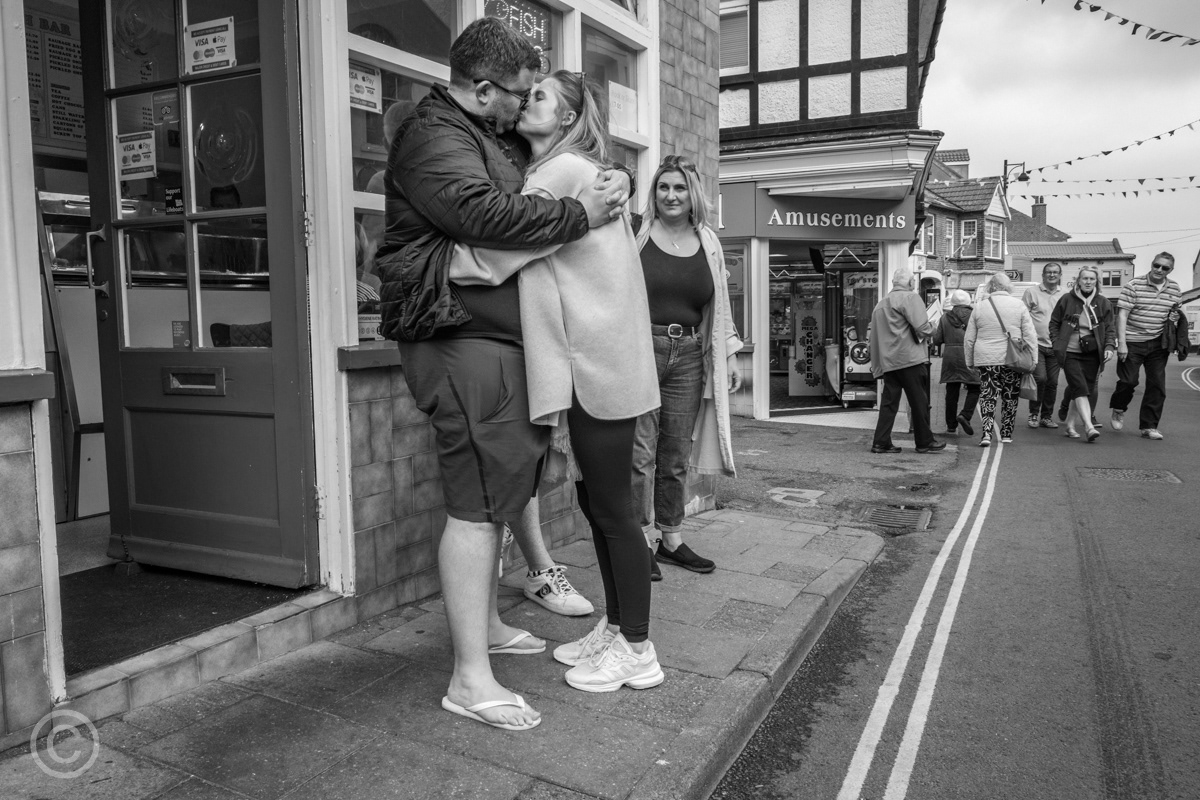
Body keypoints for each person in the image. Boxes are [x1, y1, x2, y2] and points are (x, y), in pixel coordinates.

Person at [378, 18, 629, 731]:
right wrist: (579, 212)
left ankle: (483, 628)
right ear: (483, 88)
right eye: (518, 94)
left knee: (495, 488)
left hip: (484, 341)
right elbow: (483, 212)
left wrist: (618, 174)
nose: (525, 106)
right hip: (455, 337)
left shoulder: (485, 129)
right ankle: (469, 679)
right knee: (479, 503)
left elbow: (565, 145)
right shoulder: (433, 137)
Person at [448, 71, 663, 694]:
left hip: (599, 364)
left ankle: (640, 648)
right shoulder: (574, 170)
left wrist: (447, 262)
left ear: (568, 119)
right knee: (599, 503)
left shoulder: (563, 173)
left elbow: (502, 251)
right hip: (596, 363)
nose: (527, 100)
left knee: (614, 508)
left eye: (540, 96)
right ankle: (618, 627)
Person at [630, 154, 744, 577]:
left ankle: (671, 540)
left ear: (692, 194)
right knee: (639, 453)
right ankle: (638, 540)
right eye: (663, 187)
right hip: (642, 349)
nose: (670, 195)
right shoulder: (637, 232)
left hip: (690, 354)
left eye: (679, 188)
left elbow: (721, 304)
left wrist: (729, 354)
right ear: (654, 193)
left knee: (676, 451)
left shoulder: (708, 240)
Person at [868, 267, 944, 454]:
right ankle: (924, 442)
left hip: (889, 361)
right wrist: (934, 328)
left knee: (889, 403)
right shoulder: (911, 298)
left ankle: (880, 442)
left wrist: (877, 365)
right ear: (911, 283)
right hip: (910, 359)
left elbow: (873, 337)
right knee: (919, 401)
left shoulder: (880, 304)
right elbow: (922, 327)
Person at [1108, 251, 1182, 440]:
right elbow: (1122, 315)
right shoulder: (1133, 285)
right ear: (1151, 264)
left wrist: (1173, 318)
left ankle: (1149, 426)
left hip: (1158, 344)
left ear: (1170, 270)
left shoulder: (1174, 288)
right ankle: (1118, 408)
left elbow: (1173, 313)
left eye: (1164, 268)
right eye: (1156, 265)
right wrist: (1121, 343)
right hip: (1132, 341)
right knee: (1128, 381)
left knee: (1156, 385)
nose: (1159, 270)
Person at [963, 272, 1038, 447]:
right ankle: (1006, 433)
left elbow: (969, 338)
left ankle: (987, 434)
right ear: (1008, 287)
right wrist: (1033, 358)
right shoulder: (1019, 305)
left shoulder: (980, 306)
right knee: (1010, 396)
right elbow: (1030, 335)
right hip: (1012, 359)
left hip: (987, 358)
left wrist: (969, 360)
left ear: (992, 287)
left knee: (988, 395)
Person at [1048, 267, 1115, 442]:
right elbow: (1054, 323)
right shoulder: (1066, 299)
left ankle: (1070, 425)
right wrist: (1057, 343)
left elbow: (1109, 328)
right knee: (1080, 388)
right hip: (1069, 351)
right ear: (1078, 280)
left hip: (1093, 353)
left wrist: (1109, 347)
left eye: (1092, 279)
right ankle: (1088, 426)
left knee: (1082, 389)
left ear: (1096, 282)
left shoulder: (1103, 303)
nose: (1088, 282)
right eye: (1084, 278)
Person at [1022, 262, 1066, 429]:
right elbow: (1023, 317)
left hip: (1056, 345)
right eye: (1048, 272)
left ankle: (1046, 417)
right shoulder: (1031, 292)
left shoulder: (1066, 295)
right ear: (1043, 275)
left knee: (1053, 382)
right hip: (1036, 344)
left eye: (1055, 272)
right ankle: (1034, 413)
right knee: (1041, 379)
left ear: (1060, 275)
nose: (1052, 275)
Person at [932, 289, 980, 436]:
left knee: (951, 391)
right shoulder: (975, 315)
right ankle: (965, 415)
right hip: (969, 355)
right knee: (975, 387)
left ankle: (951, 426)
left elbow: (937, 340)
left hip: (950, 357)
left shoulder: (945, 318)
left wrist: (934, 329)